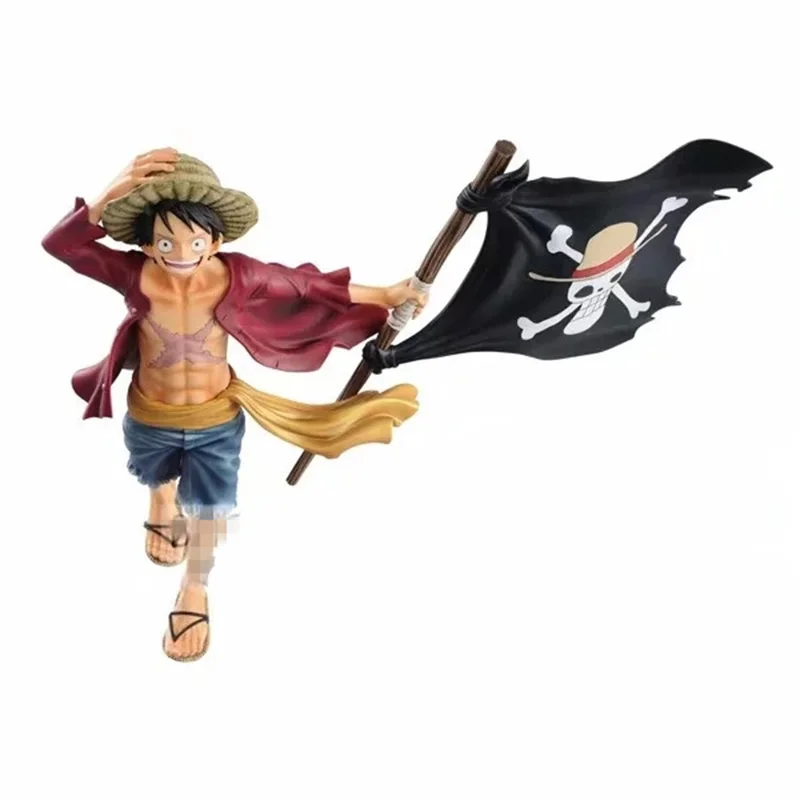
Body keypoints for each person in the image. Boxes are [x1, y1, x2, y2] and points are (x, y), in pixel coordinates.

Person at [42, 148, 426, 662]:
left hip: (215, 417)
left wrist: (386, 294)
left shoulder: (237, 275)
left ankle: (194, 586)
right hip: (151, 411)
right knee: (152, 469)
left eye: (195, 241)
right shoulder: (132, 274)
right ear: (145, 244)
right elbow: (60, 245)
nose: (181, 253)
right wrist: (110, 192)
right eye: (166, 242)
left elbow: (309, 286)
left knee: (211, 507)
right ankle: (161, 500)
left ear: (217, 241)